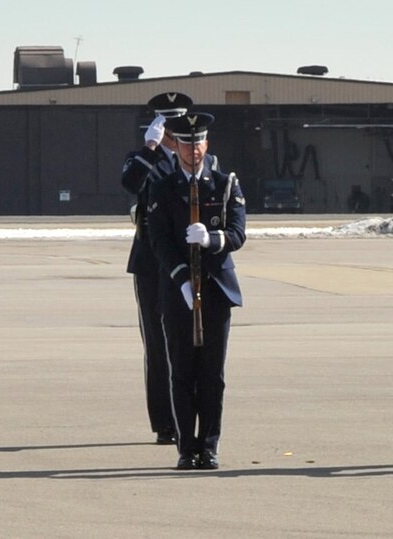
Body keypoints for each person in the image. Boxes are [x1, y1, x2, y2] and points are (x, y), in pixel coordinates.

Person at [146, 112, 246, 470]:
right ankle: (187, 447)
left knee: (212, 375)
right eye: (186, 143)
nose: (193, 150)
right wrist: (182, 280)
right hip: (178, 291)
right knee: (182, 372)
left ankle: (210, 446)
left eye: (199, 142)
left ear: (207, 144)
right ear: (177, 146)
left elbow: (238, 232)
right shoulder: (162, 185)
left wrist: (213, 238)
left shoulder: (225, 184)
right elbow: (157, 240)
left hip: (217, 289)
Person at [120, 91, 190, 445]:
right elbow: (130, 184)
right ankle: (165, 422)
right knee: (158, 341)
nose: (171, 130)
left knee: (189, 340)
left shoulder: (198, 159)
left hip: (188, 260)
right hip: (151, 260)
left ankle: (190, 416)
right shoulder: (141, 158)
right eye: (165, 123)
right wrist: (149, 150)